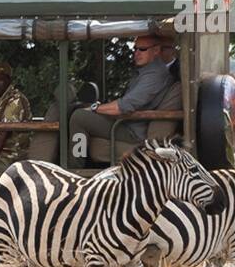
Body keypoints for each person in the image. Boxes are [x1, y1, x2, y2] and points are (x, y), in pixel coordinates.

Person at [27, 33, 178, 167]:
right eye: (135, 49)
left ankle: (75, 167)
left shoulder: (154, 75)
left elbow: (123, 106)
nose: (136, 53)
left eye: (142, 49)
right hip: (127, 124)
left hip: (131, 129)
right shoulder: (147, 72)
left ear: (156, 50)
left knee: (79, 117)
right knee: (80, 112)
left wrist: (94, 108)